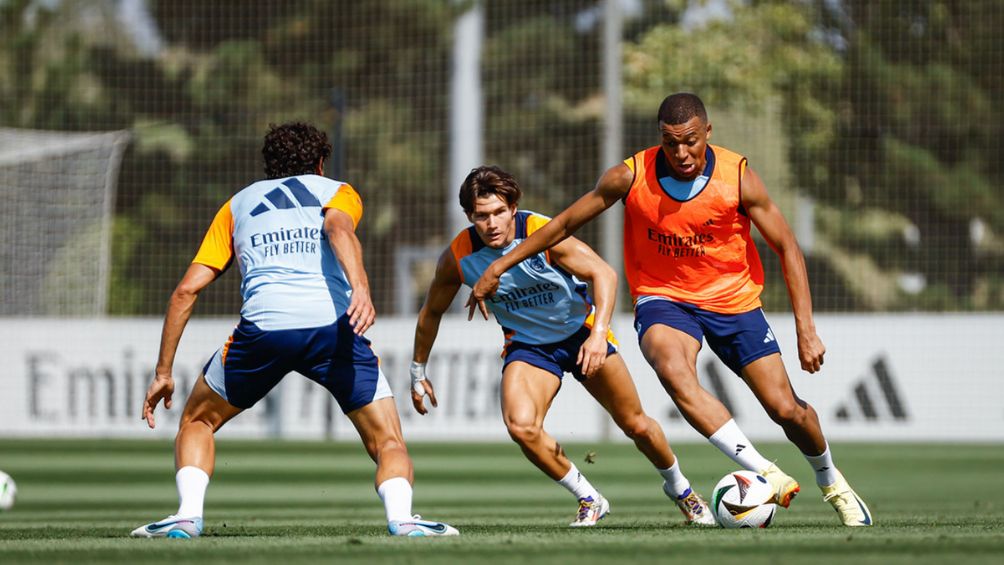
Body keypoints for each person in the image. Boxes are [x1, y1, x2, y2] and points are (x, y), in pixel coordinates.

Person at [467, 94, 873, 527]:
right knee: (674, 371)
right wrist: (500, 265)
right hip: (664, 298)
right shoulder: (630, 175)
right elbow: (562, 224)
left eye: (690, 142)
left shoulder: (738, 177)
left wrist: (805, 329)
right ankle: (766, 472)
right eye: (670, 142)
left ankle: (832, 482)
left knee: (786, 409)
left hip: (734, 301)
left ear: (708, 133)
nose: (680, 153)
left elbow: (788, 247)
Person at [131, 122, 458, 538]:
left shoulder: (236, 205)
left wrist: (163, 372)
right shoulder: (338, 191)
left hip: (264, 329)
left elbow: (185, 291)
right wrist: (361, 287)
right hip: (333, 330)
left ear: (269, 166)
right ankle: (404, 521)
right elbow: (338, 229)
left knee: (197, 421)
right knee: (388, 440)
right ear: (321, 163)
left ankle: (186, 517)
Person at [410, 165, 715, 527]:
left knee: (636, 425)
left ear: (513, 208)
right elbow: (431, 312)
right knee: (521, 426)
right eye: (481, 216)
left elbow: (604, 273)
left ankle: (681, 490)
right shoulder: (459, 256)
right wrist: (418, 371)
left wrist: (599, 334)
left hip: (581, 333)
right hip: (529, 347)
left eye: (498, 213)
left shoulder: (541, 232)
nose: (491, 224)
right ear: (468, 216)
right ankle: (589, 497)